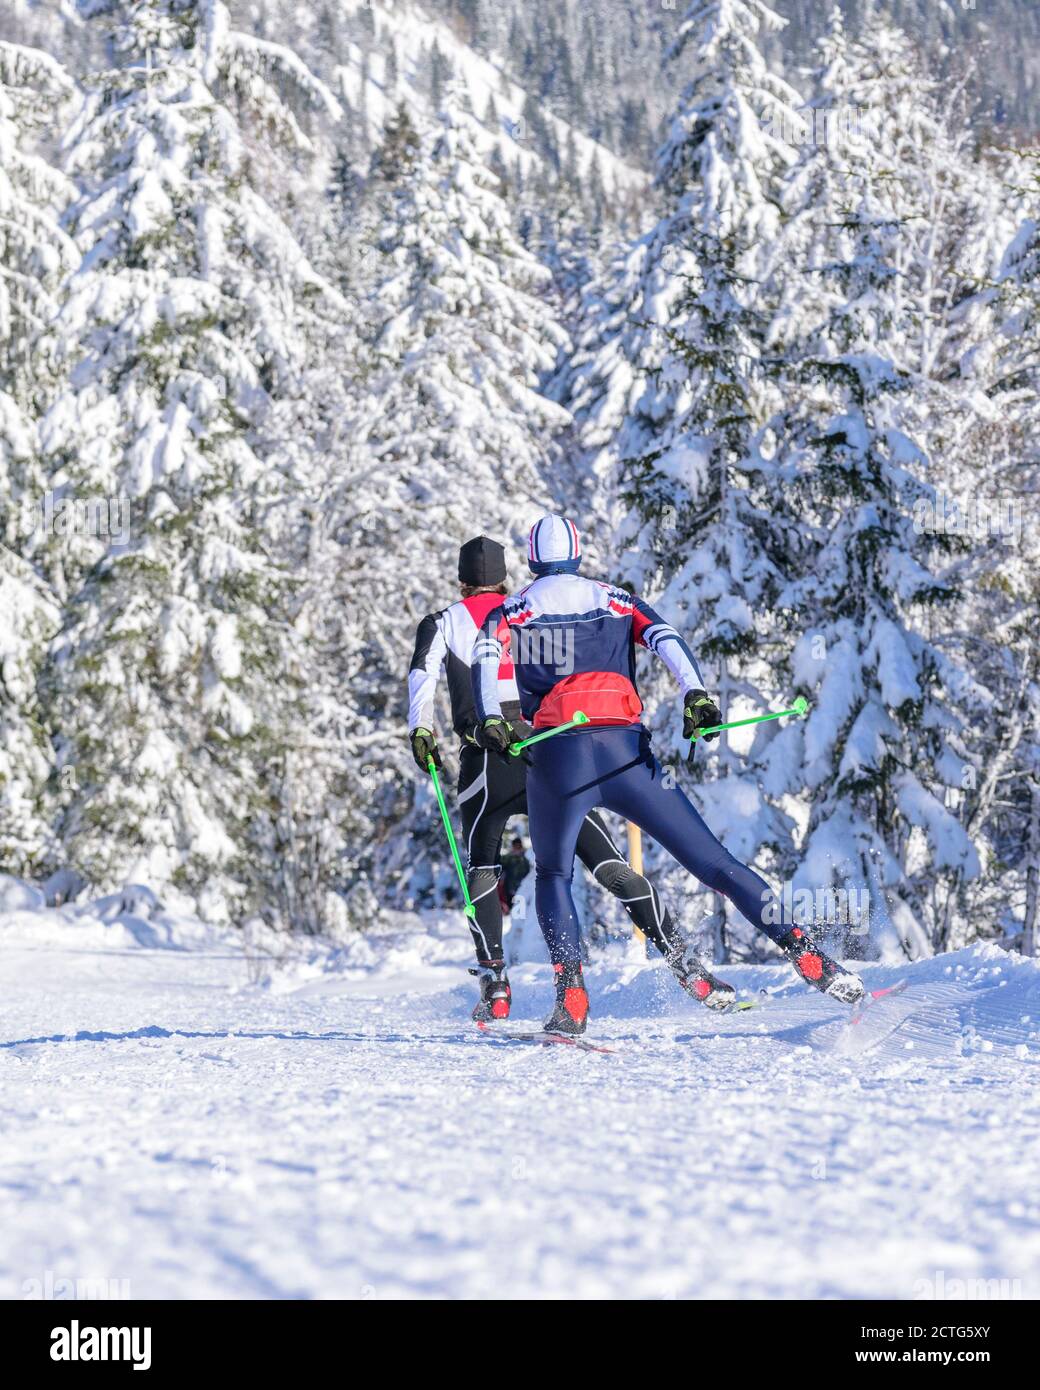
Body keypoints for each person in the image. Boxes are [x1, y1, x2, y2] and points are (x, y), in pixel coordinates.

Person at [471, 514, 866, 1035]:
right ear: (578, 553)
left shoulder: (511, 610)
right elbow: (666, 638)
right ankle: (806, 951)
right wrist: (696, 695)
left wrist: (491, 722)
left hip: (558, 757)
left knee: (554, 875)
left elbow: (483, 662)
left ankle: (572, 996)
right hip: (627, 756)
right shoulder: (616, 598)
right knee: (716, 865)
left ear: (533, 559)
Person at [407, 534, 736, 1021]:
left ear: (461, 582)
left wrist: (421, 730)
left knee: (481, 862)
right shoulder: (526, 611)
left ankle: (496, 984)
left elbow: (422, 673)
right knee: (604, 860)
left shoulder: (443, 622)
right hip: (550, 748)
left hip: (487, 754)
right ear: (505, 577)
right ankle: (686, 964)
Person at [500, 836, 530, 910]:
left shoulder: (526, 858)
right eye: (515, 846)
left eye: (518, 846)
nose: (516, 848)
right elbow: (500, 866)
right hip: (510, 887)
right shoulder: (508, 857)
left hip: (523, 886)